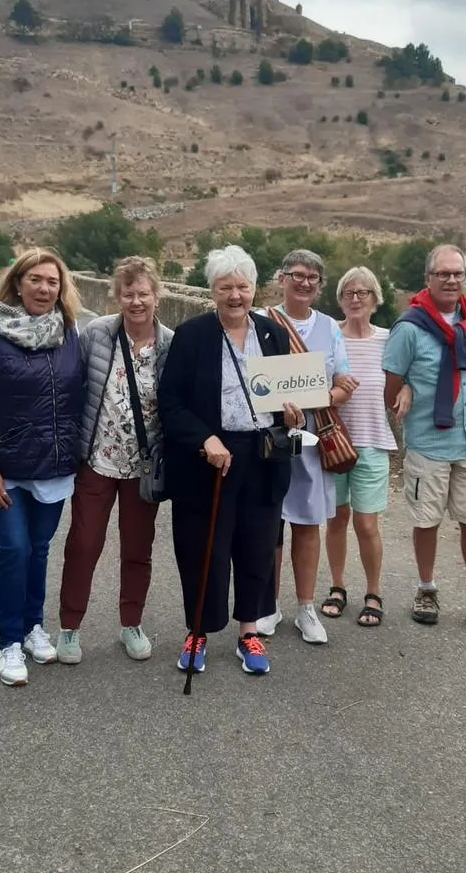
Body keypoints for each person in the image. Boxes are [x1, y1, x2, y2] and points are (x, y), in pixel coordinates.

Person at [158, 244, 302, 676]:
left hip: (263, 456)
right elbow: (171, 403)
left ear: (255, 288)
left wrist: (292, 414)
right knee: (204, 547)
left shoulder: (273, 334)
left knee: (258, 544)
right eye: (225, 287)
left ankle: (249, 631)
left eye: (242, 286)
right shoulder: (192, 336)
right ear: (212, 291)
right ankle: (198, 631)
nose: (235, 295)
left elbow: (286, 399)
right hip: (210, 459)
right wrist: (204, 438)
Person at [0, 247, 84, 686]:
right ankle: (8, 641)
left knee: (39, 547)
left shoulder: (69, 331)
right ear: (16, 283)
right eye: (35, 279)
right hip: (5, 466)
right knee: (14, 549)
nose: (44, 289)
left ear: (61, 288)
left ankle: (32, 627)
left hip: (53, 462)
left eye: (52, 281)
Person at [383, 243, 466, 637]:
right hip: (429, 444)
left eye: (457, 273)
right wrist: (406, 389)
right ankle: (426, 589)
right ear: (428, 278)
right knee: (427, 522)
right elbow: (390, 389)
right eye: (443, 273)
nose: (451, 280)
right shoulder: (409, 327)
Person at [57, 257, 173, 665]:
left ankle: (131, 623)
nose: (136, 301)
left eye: (143, 293)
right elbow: (72, 385)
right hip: (97, 460)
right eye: (128, 294)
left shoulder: (170, 343)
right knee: (83, 544)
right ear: (117, 297)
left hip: (143, 467)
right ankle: (69, 627)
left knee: (138, 549)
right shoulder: (97, 333)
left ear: (157, 296)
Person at [256, 249, 355, 643]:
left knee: (308, 523)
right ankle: (268, 605)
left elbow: (343, 383)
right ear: (282, 279)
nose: (305, 282)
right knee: (270, 524)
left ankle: (305, 607)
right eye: (297, 275)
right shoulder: (260, 321)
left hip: (313, 438)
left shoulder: (329, 327)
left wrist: (320, 397)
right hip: (270, 436)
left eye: (313, 277)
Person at [321, 267, 411, 627]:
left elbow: (409, 375)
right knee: (336, 519)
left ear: (376, 299)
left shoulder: (389, 340)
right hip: (333, 443)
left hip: (373, 442)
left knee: (367, 523)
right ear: (340, 299)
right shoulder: (329, 336)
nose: (355, 299)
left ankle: (373, 592)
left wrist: (407, 389)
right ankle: (337, 586)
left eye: (363, 293)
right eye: (348, 293)